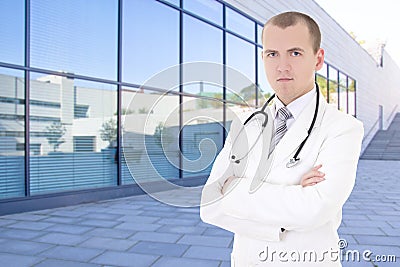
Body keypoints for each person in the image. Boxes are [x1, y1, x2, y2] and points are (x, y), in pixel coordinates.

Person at [200, 11, 364, 267]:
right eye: (272, 54)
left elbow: (316, 209)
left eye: (295, 53)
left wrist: (234, 188)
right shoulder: (245, 123)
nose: (282, 66)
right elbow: (209, 205)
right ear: (263, 57)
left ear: (318, 59)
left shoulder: (343, 128)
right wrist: (292, 195)